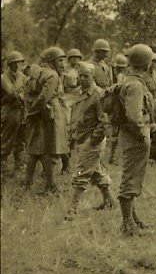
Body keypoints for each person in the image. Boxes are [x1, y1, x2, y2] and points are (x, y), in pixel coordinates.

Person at [64, 63, 113, 220]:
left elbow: (104, 121)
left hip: (92, 141)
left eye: (86, 76)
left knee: (81, 172)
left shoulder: (98, 95)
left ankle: (73, 208)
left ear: (93, 77)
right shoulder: (80, 93)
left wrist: (93, 140)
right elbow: (76, 117)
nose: (83, 79)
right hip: (81, 138)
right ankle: (109, 200)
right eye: (81, 76)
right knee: (95, 172)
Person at [118, 44, 156, 236]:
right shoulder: (135, 85)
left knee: (133, 176)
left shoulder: (131, 81)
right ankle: (127, 224)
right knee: (130, 178)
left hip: (133, 134)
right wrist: (141, 134)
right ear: (147, 63)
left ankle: (132, 218)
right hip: (135, 136)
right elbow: (134, 116)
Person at [23, 47, 69, 194]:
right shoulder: (52, 75)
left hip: (38, 115)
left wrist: (30, 112)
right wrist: (32, 113)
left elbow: (29, 94)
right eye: (60, 61)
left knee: (35, 149)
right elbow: (44, 97)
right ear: (51, 61)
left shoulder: (36, 72)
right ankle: (50, 185)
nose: (63, 64)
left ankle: (28, 184)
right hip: (49, 116)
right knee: (50, 150)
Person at [1, 51, 27, 174]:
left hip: (21, 110)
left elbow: (26, 92)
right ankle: (3, 165)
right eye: (15, 63)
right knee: (7, 138)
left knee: (21, 139)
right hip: (10, 111)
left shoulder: (21, 76)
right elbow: (12, 92)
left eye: (19, 62)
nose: (17, 65)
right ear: (9, 64)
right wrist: (21, 80)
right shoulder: (4, 77)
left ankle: (19, 164)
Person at [108, 53, 128, 164]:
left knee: (118, 132)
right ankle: (113, 156)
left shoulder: (121, 76)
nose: (121, 69)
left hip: (120, 105)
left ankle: (115, 156)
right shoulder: (115, 76)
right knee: (116, 132)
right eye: (119, 68)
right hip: (116, 105)